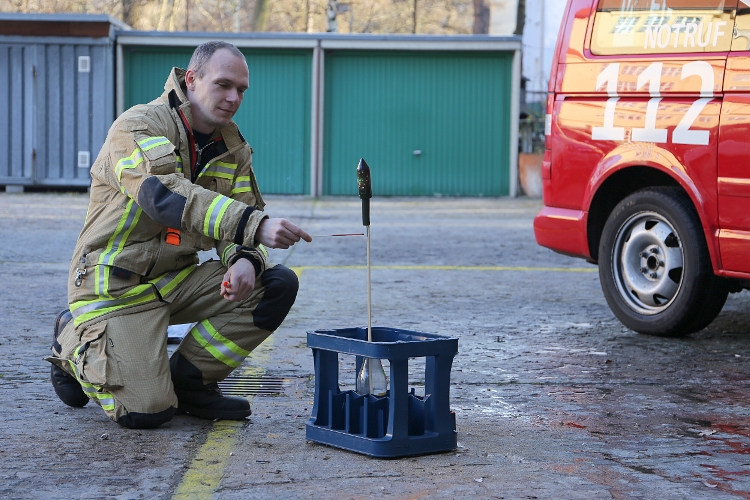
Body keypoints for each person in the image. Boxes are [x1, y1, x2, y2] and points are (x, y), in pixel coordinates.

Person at [46, 41, 312, 429]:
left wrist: (242, 258)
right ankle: (72, 340)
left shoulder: (233, 149)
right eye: (223, 85)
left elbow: (238, 213)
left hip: (175, 281)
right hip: (113, 288)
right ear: (191, 78)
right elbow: (163, 195)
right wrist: (254, 226)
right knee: (146, 412)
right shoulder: (138, 125)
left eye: (241, 89)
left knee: (274, 283)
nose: (233, 97)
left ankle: (190, 381)